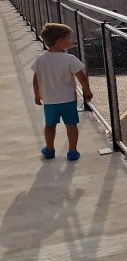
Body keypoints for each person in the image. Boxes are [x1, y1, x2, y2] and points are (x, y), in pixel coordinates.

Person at [32, 23, 93, 161]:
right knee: (71, 126)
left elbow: (36, 79)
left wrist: (37, 94)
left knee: (50, 125)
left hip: (49, 101)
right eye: (69, 38)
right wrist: (87, 90)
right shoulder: (70, 59)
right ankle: (72, 151)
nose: (71, 41)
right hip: (68, 101)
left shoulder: (41, 59)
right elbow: (81, 76)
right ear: (60, 41)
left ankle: (49, 149)